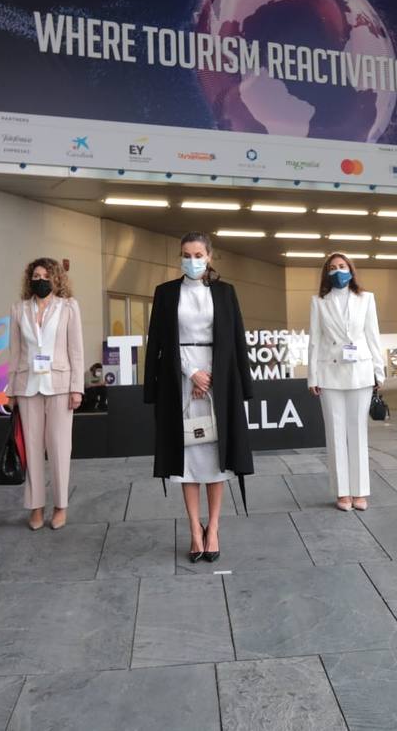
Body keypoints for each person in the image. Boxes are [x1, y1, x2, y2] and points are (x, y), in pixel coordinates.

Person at [143, 232, 253, 563]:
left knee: (216, 456)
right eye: (186, 254)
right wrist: (191, 372)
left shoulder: (224, 292)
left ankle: (214, 527)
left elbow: (235, 340)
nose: (192, 260)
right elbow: (159, 342)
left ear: (209, 257)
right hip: (180, 379)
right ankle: (194, 529)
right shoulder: (165, 293)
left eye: (198, 254)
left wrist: (222, 379)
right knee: (187, 458)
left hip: (218, 380)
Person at [7, 258, 85, 530]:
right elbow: (15, 353)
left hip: (60, 386)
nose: (40, 280)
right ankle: (36, 507)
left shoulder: (68, 308)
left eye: (45, 275)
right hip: (28, 387)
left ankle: (60, 506)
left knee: (60, 448)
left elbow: (76, 350)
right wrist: (11, 390)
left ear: (55, 279)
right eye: (36, 275)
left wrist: (77, 387)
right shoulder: (18, 310)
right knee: (32, 448)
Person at [308, 253, 385, 511]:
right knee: (335, 434)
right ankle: (342, 492)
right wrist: (312, 376)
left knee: (357, 432)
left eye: (342, 266)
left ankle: (360, 491)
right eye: (332, 268)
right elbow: (315, 341)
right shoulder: (319, 302)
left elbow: (373, 336)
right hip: (329, 373)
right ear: (326, 273)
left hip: (361, 371)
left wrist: (379, 372)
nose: (338, 271)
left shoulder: (366, 299)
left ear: (351, 270)